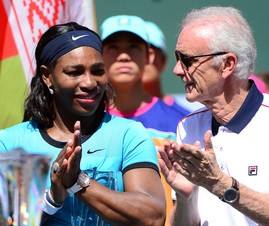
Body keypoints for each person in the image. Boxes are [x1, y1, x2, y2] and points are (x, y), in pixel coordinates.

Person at [0, 22, 166, 225]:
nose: (89, 83)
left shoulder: (129, 135)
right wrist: (52, 198)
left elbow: (153, 217)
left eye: (97, 71)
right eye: (74, 72)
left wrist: (78, 182)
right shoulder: (9, 143)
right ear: (47, 76)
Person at [158, 6, 269, 226]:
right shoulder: (187, 126)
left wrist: (222, 185)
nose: (177, 69)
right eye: (177, 57)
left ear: (227, 65)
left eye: (187, 60)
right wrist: (186, 198)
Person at [99, 15, 186, 226]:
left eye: (133, 47)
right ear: (99, 56)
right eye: (113, 47)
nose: (123, 56)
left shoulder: (180, 122)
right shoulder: (85, 122)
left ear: (148, 56)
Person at [143, 20, 190, 116]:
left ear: (164, 61)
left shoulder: (185, 117)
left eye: (148, 53)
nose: (141, 60)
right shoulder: (104, 114)